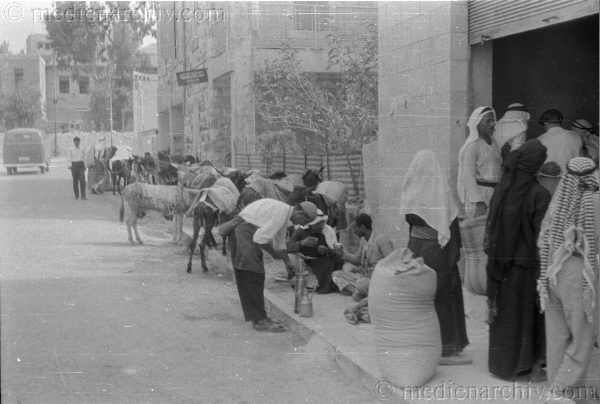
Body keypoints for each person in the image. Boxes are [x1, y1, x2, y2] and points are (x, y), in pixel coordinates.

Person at [485, 139, 552, 382]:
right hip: (527, 266)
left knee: (506, 315)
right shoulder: (540, 194)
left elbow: (492, 231)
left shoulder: (501, 191)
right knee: (528, 317)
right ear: (536, 166)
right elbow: (542, 238)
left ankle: (501, 366)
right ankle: (527, 366)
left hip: (502, 265)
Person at [399, 149, 471, 365]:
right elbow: (448, 226)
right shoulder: (439, 190)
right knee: (443, 297)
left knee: (420, 297)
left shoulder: (410, 190)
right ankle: (445, 349)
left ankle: (420, 345)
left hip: (415, 247)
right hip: (436, 250)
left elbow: (411, 223)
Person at [537, 157, 599, 399]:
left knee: (557, 338)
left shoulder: (560, 199)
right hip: (579, 274)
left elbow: (544, 238)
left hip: (552, 271)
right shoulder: (594, 201)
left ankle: (564, 391)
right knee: (582, 339)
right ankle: (559, 392)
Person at [218, 200, 316, 332]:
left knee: (252, 274)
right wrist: (274, 254)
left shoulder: (284, 212)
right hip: (244, 231)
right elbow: (260, 238)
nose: (301, 225)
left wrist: (287, 263)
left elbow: (280, 243)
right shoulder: (282, 213)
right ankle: (260, 320)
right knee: (253, 274)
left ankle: (259, 317)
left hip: (244, 231)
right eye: (304, 221)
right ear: (300, 212)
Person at [331, 213, 393, 298]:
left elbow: (392, 261)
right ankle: (361, 294)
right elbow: (358, 260)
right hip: (364, 277)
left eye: (355, 228)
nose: (354, 231)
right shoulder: (364, 240)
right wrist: (342, 254)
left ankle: (362, 293)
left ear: (362, 227)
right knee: (336, 275)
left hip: (378, 279)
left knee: (360, 283)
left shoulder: (381, 239)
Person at [457, 106, 502, 218]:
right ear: (477, 123)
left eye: (493, 121)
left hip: (494, 193)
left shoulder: (494, 143)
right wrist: (478, 201)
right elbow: (468, 176)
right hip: (480, 195)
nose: (492, 124)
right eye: (487, 121)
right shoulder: (473, 146)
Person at [286, 209, 342, 294]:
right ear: (311, 224)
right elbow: (288, 246)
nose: (320, 226)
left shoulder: (328, 231)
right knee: (290, 256)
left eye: (322, 223)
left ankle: (315, 282)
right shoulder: (301, 231)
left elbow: (337, 251)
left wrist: (326, 250)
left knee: (337, 259)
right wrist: (302, 243)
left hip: (322, 264)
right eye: (317, 223)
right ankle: (307, 280)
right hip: (305, 263)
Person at [536, 109, 583, 195]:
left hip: (547, 183)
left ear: (545, 123)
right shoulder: (575, 136)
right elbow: (581, 161)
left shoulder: (539, 140)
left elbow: (534, 165)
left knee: (548, 207)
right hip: (570, 182)